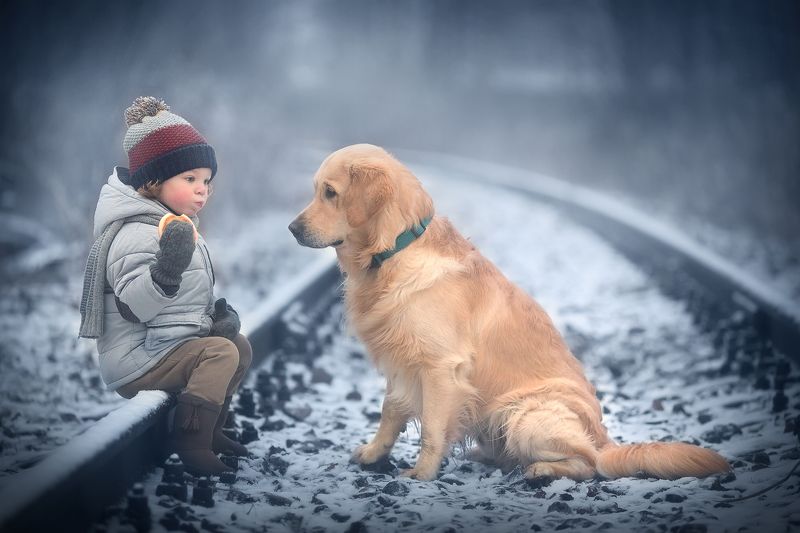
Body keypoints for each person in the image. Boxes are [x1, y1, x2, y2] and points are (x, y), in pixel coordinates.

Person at [79, 96, 252, 475]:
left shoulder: (171, 222)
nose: (202, 189)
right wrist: (167, 270)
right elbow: (137, 307)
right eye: (189, 179)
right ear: (154, 181)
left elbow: (178, 305)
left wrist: (209, 322)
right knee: (219, 355)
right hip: (136, 360)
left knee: (236, 345)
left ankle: (210, 431)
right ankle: (191, 444)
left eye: (206, 180)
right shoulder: (134, 232)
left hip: (161, 344)